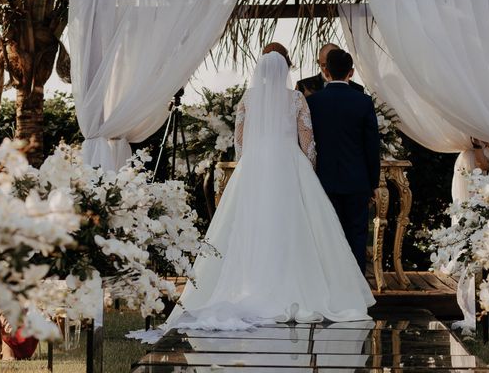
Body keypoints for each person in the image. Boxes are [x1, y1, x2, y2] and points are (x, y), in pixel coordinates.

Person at [131, 46, 374, 339]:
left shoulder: (248, 98)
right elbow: (307, 144)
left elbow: (240, 141)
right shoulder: (296, 98)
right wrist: (306, 172)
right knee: (295, 230)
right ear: (285, 71)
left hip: (254, 166)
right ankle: (298, 287)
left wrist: (251, 166)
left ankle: (254, 283)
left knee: (251, 229)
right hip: (289, 165)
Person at [307, 49, 381, 274]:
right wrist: (374, 183)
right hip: (356, 181)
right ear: (351, 72)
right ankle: (356, 288)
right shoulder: (363, 102)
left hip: (323, 181)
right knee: (357, 235)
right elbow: (372, 146)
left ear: (326, 70)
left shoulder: (313, 102)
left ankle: (330, 286)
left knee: (326, 237)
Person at [296, 43, 364, 97]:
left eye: (333, 64)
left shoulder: (357, 89)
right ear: (318, 62)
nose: (328, 69)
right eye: (324, 65)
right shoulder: (303, 86)